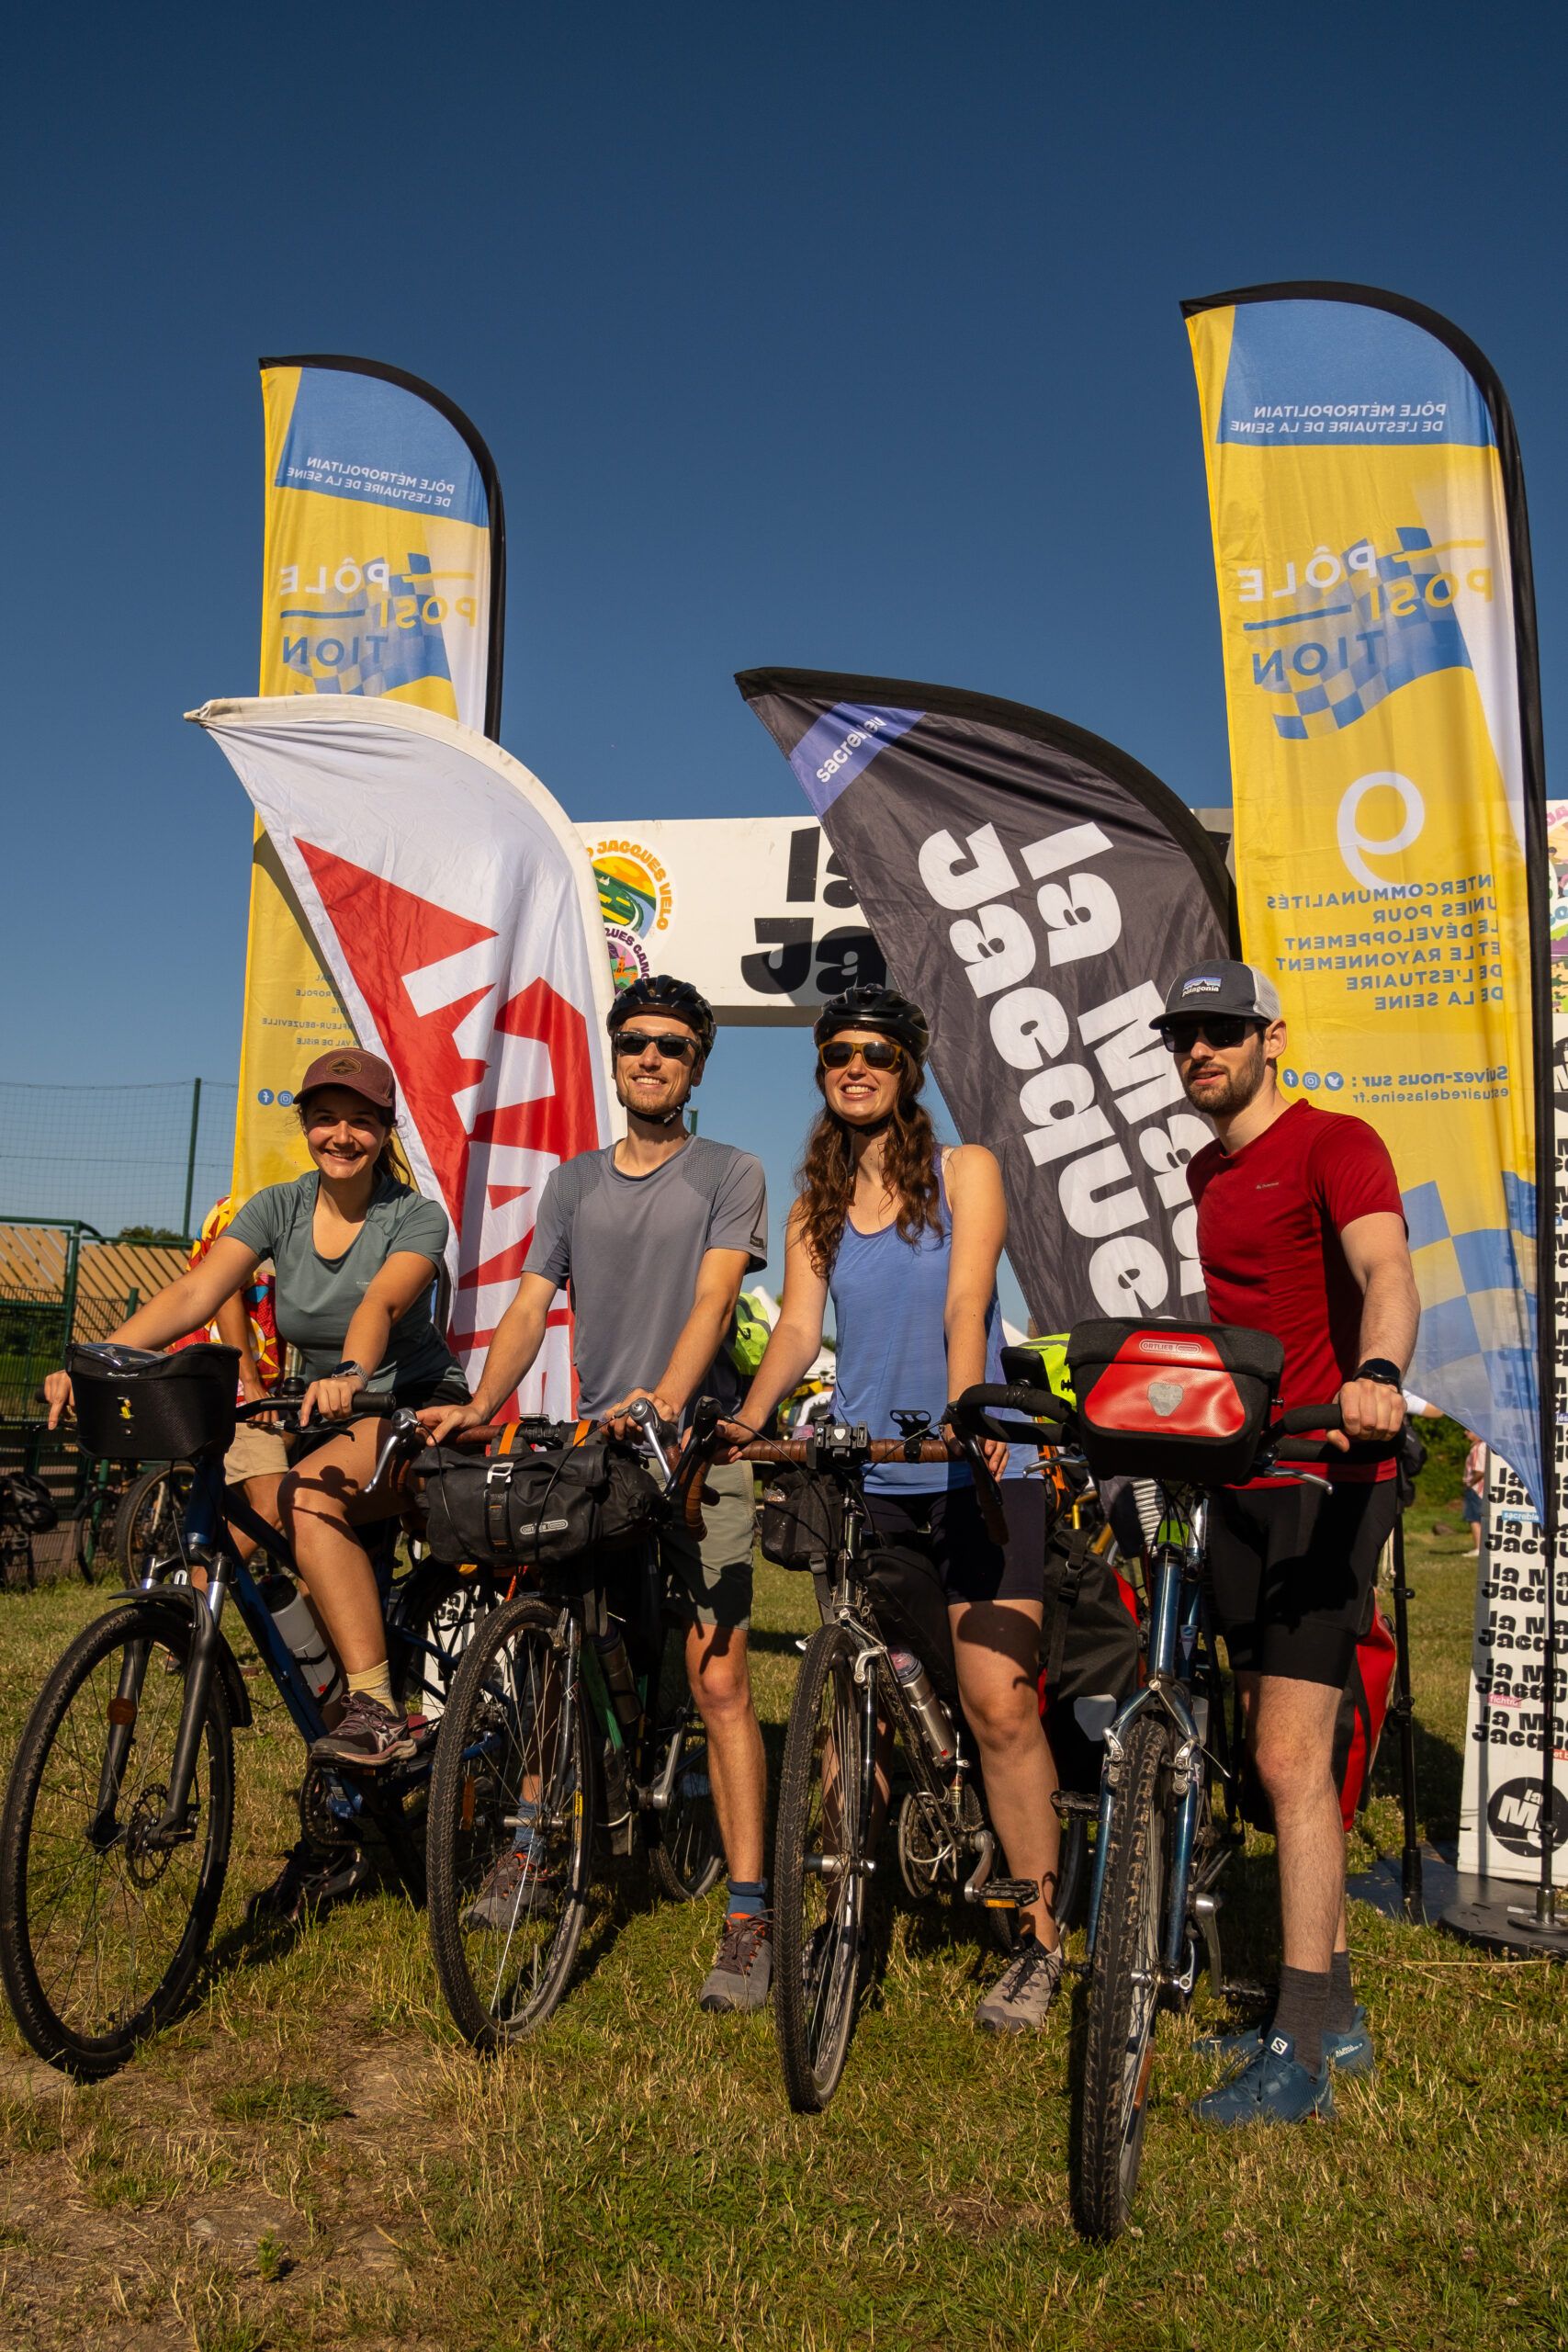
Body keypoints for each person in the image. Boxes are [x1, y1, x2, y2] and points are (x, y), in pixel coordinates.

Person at [423, 976, 773, 2013]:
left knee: (719, 1683)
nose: (650, 1058)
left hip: (697, 1447)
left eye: (672, 1045)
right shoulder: (573, 1183)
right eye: (634, 1042)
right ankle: (533, 1844)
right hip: (598, 1452)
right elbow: (531, 1304)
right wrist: (482, 1404)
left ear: (698, 1064)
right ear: (614, 1057)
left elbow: (715, 1298)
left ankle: (748, 1913)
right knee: (557, 1652)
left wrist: (665, 1399)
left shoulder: (730, 1171)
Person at [725, 984, 1066, 2033]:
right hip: (871, 1476)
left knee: (998, 1705)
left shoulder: (965, 1171)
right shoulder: (815, 1205)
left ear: (907, 1068)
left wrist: (968, 1411)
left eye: (876, 1053)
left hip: (978, 1472)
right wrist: (747, 1419)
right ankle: (842, 1917)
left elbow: (969, 1300)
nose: (856, 1068)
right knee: (855, 1705)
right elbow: (797, 1331)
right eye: (840, 1054)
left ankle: (1039, 1941)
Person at [1151, 960, 1416, 2125]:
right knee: (1272, 1752)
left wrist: (1378, 1369)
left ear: (1273, 1036)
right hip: (1246, 1476)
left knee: (1289, 1758)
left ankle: (1300, 2048)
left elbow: (1385, 1268)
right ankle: (1336, 2013)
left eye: (1222, 1029)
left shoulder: (1335, 1142)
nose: (1200, 1050)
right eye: (1184, 1035)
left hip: (1332, 1474)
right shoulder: (1207, 1171)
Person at [45, 1048, 468, 1770]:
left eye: (361, 1121)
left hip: (406, 1403)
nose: (342, 1136)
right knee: (261, 1511)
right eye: (326, 1118)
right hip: (326, 1410)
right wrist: (97, 1360)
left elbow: (380, 1302)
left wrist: (352, 1370)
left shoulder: (415, 1216)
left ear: (385, 1131)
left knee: (303, 1500)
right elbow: (195, 1293)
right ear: (305, 1125)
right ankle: (340, 1750)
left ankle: (377, 1709)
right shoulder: (278, 1206)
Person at [1462, 1431, 1487, 1554]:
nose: (1466, 1433)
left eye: (1468, 1430)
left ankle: (1479, 1547)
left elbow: (1479, 1471)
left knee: (1474, 1518)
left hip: (1476, 1488)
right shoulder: (1485, 1446)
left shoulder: (1478, 1448)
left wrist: (1470, 1483)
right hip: (1481, 1488)